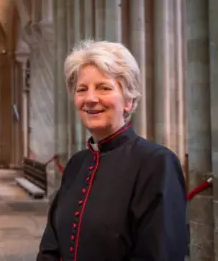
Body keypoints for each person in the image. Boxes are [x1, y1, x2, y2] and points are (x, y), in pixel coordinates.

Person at [36, 40, 188, 261]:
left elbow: (160, 254)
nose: (90, 98)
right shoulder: (77, 164)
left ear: (128, 100)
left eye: (104, 87)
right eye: (82, 89)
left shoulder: (157, 164)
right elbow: (51, 245)